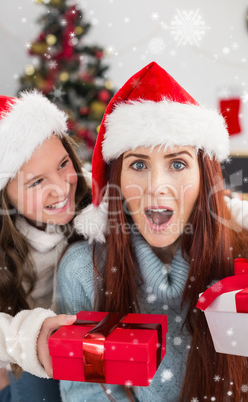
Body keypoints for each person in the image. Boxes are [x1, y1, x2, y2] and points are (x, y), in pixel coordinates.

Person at [56, 61, 248, 401]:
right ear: (116, 180)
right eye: (139, 164)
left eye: (177, 163)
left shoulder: (242, 255)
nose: (156, 186)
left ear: (204, 177)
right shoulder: (83, 271)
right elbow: (87, 392)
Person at [0, 91, 90, 402]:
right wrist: (20, 340)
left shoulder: (91, 193)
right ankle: (0, 388)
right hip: (27, 347)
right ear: (4, 196)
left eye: (63, 164)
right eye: (36, 182)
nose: (60, 187)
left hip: (83, 335)